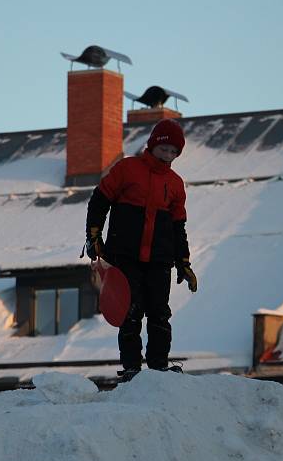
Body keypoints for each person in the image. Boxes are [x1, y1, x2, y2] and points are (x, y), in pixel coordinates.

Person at [84, 119, 198, 382]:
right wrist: (93, 234)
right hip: (125, 256)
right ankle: (132, 368)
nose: (168, 155)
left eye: (174, 152)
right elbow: (99, 200)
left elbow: (178, 227)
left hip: (159, 260)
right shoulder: (127, 169)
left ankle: (158, 367)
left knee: (160, 312)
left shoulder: (176, 184)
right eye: (164, 149)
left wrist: (183, 262)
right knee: (129, 311)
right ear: (153, 145)